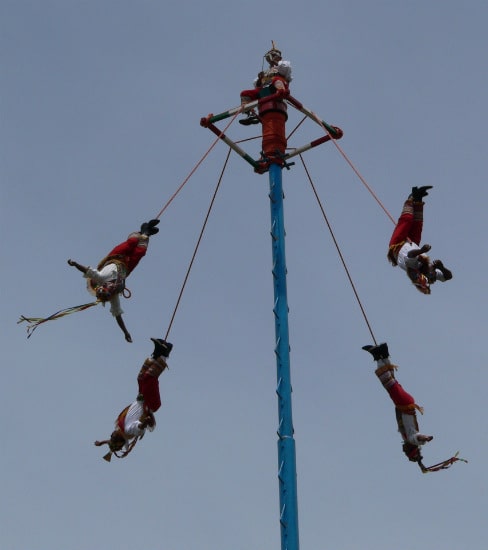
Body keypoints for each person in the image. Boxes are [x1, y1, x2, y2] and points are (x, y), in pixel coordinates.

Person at [363, 342, 466, 473]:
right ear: (411, 449)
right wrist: (426, 438)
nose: (404, 451)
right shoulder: (411, 439)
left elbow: (416, 446)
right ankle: (378, 356)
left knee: (393, 381)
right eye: (407, 452)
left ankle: (384, 354)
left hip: (402, 404)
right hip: (405, 404)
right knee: (388, 383)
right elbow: (418, 438)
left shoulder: (406, 438)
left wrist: (420, 463)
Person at [67, 219, 160, 342]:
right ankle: (146, 233)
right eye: (110, 290)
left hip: (114, 257)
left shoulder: (100, 278)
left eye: (107, 287)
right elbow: (118, 315)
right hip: (126, 267)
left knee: (132, 242)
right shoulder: (114, 296)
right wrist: (125, 332)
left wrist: (75, 264)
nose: (110, 287)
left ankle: (142, 230)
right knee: (141, 252)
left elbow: (87, 271)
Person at [94, 338, 173, 461]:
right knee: (149, 378)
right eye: (112, 437)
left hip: (142, 398)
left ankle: (156, 353)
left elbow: (112, 440)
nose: (111, 435)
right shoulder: (128, 429)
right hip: (149, 402)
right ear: (118, 439)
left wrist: (102, 443)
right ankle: (164, 354)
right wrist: (145, 423)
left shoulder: (121, 429)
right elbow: (139, 427)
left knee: (141, 378)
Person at [387, 186, 452, 294]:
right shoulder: (432, 271)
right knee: (418, 224)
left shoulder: (414, 266)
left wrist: (422, 250)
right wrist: (441, 267)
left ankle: (410, 200)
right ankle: (418, 200)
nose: (433, 272)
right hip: (412, 243)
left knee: (407, 220)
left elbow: (411, 254)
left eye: (431, 273)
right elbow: (448, 277)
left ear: (424, 273)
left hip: (397, 245)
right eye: (434, 275)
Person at [239, 42, 293, 166]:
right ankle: (249, 113)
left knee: (276, 80)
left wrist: (277, 63)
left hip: (277, 89)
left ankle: (281, 92)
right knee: (245, 93)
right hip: (265, 93)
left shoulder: (281, 67)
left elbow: (286, 72)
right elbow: (258, 85)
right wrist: (259, 79)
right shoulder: (266, 72)